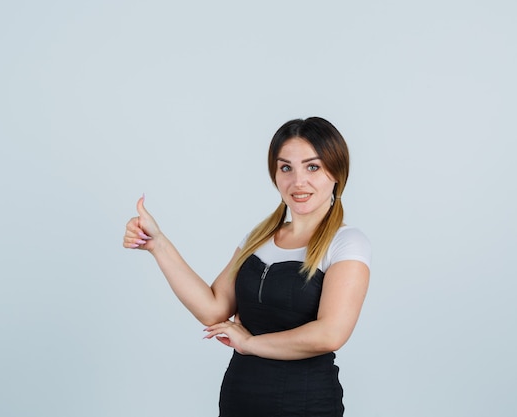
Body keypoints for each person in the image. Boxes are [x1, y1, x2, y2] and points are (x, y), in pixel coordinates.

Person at [123, 116, 371, 417]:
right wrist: (158, 244)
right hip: (239, 398)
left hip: (305, 404)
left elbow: (330, 334)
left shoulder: (346, 243)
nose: (298, 181)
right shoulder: (258, 237)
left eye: (313, 166)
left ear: (336, 172)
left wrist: (250, 343)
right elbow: (214, 308)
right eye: (286, 168)